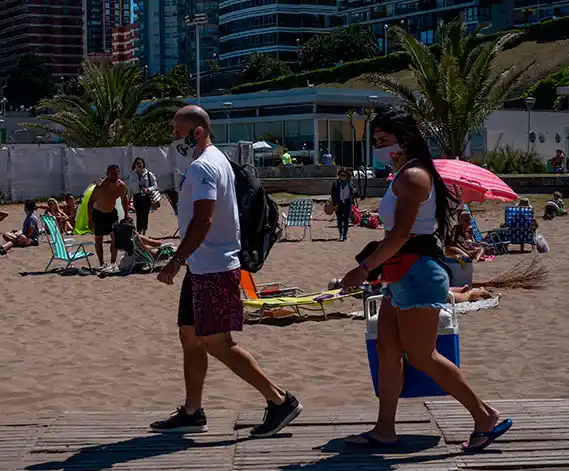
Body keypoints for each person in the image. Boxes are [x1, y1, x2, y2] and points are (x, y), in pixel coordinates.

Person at [340, 107, 510, 453]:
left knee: (422, 355)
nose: (378, 147)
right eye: (375, 141)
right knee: (387, 349)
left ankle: (485, 416)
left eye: (383, 140)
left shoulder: (414, 176)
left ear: (404, 140)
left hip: (417, 273)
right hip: (401, 274)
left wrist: (364, 268)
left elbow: (401, 234)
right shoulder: (404, 175)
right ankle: (385, 429)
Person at [152, 105, 302, 438]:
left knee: (218, 343)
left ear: (198, 132)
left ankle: (280, 400)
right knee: (189, 335)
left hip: (214, 269)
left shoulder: (204, 166)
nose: (174, 140)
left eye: (178, 133)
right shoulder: (216, 160)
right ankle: (192, 411)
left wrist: (176, 261)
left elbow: (203, 220)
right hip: (202, 266)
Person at [89, 165, 129, 268]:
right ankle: (101, 263)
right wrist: (90, 219)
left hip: (111, 213)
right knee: (99, 239)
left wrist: (126, 215)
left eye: (116, 173)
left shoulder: (121, 186)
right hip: (98, 213)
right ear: (107, 174)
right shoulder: (100, 186)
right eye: (112, 174)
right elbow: (90, 202)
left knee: (115, 238)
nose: (114, 176)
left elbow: (124, 200)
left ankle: (112, 262)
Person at [126, 157, 158, 236]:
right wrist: (128, 200)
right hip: (137, 197)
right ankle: (139, 232)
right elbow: (130, 189)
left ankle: (144, 232)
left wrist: (148, 189)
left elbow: (155, 186)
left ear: (143, 164)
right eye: (137, 163)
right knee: (139, 215)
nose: (139, 164)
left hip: (146, 197)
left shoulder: (149, 174)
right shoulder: (132, 175)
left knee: (145, 215)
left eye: (140, 163)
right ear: (135, 165)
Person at [331, 168, 356, 242]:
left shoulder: (350, 183)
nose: (342, 177)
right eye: (341, 175)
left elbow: (354, 192)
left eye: (344, 175)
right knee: (339, 219)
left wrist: (354, 191)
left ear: (347, 176)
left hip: (347, 202)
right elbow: (333, 193)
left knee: (346, 219)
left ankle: (344, 235)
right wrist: (334, 203)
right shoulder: (336, 183)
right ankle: (341, 234)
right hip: (338, 203)